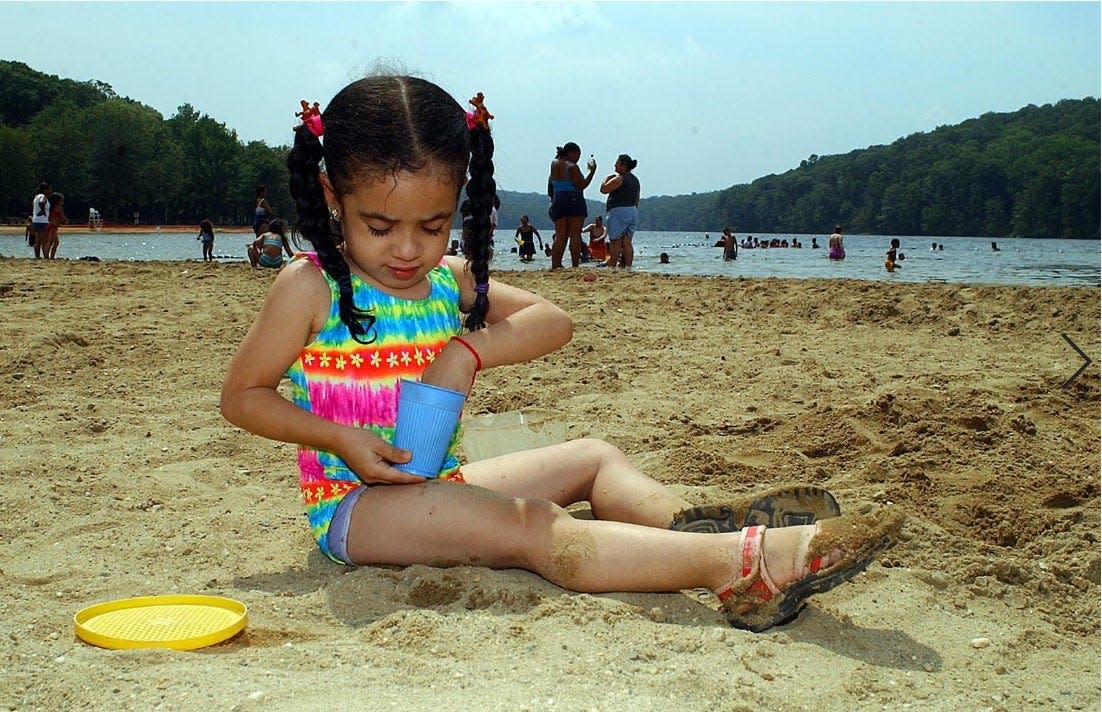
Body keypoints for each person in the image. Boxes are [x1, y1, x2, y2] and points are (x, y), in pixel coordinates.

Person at [219, 75, 903, 634]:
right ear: (334, 198)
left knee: (593, 457)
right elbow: (243, 397)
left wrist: (465, 350)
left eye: (432, 225)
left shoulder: (445, 279)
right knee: (533, 529)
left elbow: (554, 319)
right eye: (380, 226)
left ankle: (675, 525)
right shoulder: (310, 286)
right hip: (356, 504)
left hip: (437, 482)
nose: (406, 249)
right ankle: (737, 564)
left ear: (459, 202)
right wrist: (340, 436)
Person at [547, 142, 596, 269]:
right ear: (571, 153)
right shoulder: (572, 166)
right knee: (575, 234)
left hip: (558, 198)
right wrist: (592, 172)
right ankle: (575, 264)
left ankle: (555, 264)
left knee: (560, 235)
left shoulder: (554, 163)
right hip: (573, 198)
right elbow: (581, 185)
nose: (579, 158)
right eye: (578, 154)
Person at [600, 154, 640, 270]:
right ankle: (628, 267)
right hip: (632, 210)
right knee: (627, 241)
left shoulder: (620, 178)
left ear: (623, 165)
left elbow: (603, 189)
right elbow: (637, 198)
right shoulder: (635, 180)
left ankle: (612, 266)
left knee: (615, 241)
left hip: (618, 210)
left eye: (617, 163)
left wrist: (606, 178)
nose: (614, 165)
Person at [42, 192, 67, 259]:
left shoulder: (51, 207)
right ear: (58, 201)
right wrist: (65, 220)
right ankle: (48, 256)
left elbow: (49, 217)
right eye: (61, 200)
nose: (62, 202)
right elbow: (62, 217)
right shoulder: (59, 207)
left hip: (50, 225)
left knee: (55, 242)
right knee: (51, 242)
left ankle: (50, 256)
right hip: (53, 226)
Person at [30, 182, 51, 259]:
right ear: (45, 190)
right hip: (42, 221)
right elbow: (41, 202)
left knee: (37, 240)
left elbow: (34, 206)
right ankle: (46, 256)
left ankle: (37, 256)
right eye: (49, 189)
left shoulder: (36, 197)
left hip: (35, 220)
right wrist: (43, 211)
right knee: (44, 240)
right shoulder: (43, 196)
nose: (50, 191)